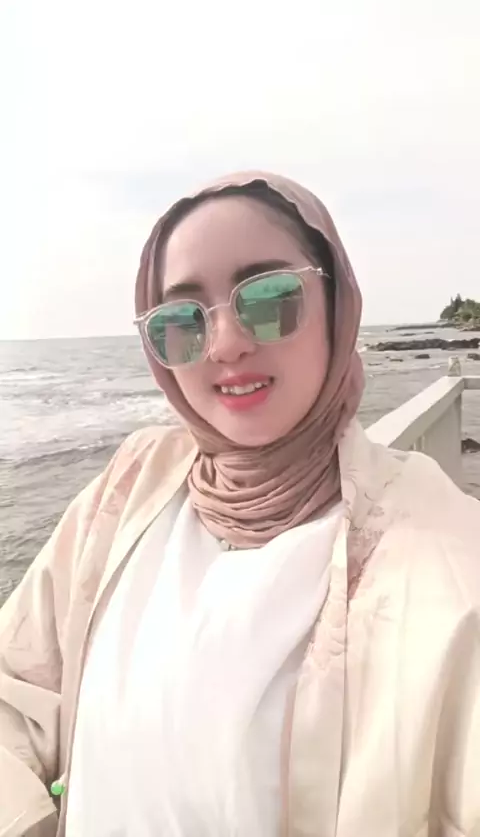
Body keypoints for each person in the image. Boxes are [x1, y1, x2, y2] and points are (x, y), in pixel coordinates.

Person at [1, 171, 480, 837]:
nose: (225, 344)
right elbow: (15, 690)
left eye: (270, 297)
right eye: (180, 321)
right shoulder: (130, 484)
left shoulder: (444, 555)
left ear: (337, 305)